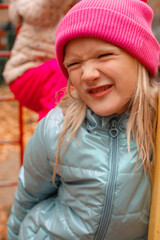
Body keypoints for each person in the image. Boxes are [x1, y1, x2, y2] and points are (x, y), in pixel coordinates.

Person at [7, 0, 160, 239]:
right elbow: (28, 196)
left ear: (140, 57)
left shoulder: (155, 124)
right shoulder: (56, 128)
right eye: (74, 64)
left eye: (104, 55)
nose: (88, 74)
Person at [2, 0, 78, 120]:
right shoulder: (41, 10)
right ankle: (53, 130)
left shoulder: (65, 13)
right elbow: (42, 9)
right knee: (59, 73)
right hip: (26, 73)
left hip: (49, 74)